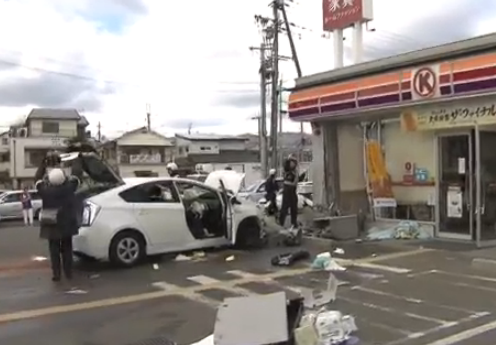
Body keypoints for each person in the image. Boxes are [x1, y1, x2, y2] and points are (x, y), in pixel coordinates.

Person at [35, 152, 81, 282]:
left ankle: (56, 274)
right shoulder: (68, 188)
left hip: (52, 223)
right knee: (67, 248)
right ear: (63, 178)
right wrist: (78, 159)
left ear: (49, 179)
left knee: (54, 250)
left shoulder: (45, 191)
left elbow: (37, 179)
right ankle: (68, 272)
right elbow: (77, 176)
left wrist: (43, 164)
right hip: (67, 222)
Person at [279, 155, 299, 228]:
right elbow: (284, 180)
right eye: (292, 162)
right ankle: (281, 223)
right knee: (284, 208)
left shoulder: (295, 171)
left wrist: (290, 182)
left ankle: (294, 223)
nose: (293, 164)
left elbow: (295, 182)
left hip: (292, 190)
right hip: (287, 190)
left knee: (294, 207)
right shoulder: (285, 170)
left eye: (294, 162)